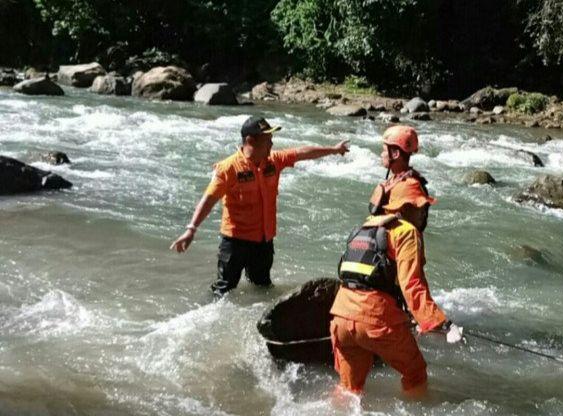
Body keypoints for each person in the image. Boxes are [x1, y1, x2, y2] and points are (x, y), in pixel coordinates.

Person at [329, 126, 460, 396]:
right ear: (409, 206)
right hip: (375, 320)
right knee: (415, 372)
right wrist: (439, 324)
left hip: (340, 317)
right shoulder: (406, 233)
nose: (424, 214)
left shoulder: (365, 227)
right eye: (422, 206)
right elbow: (412, 286)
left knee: (348, 390)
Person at [170, 115, 349, 296]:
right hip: (235, 242)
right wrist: (191, 229)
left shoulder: (274, 161)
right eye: (267, 140)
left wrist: (334, 150)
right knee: (223, 290)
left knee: (263, 289)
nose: (271, 144)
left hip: (263, 242)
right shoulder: (228, 168)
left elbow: (301, 152)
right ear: (250, 141)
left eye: (271, 139)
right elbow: (209, 199)